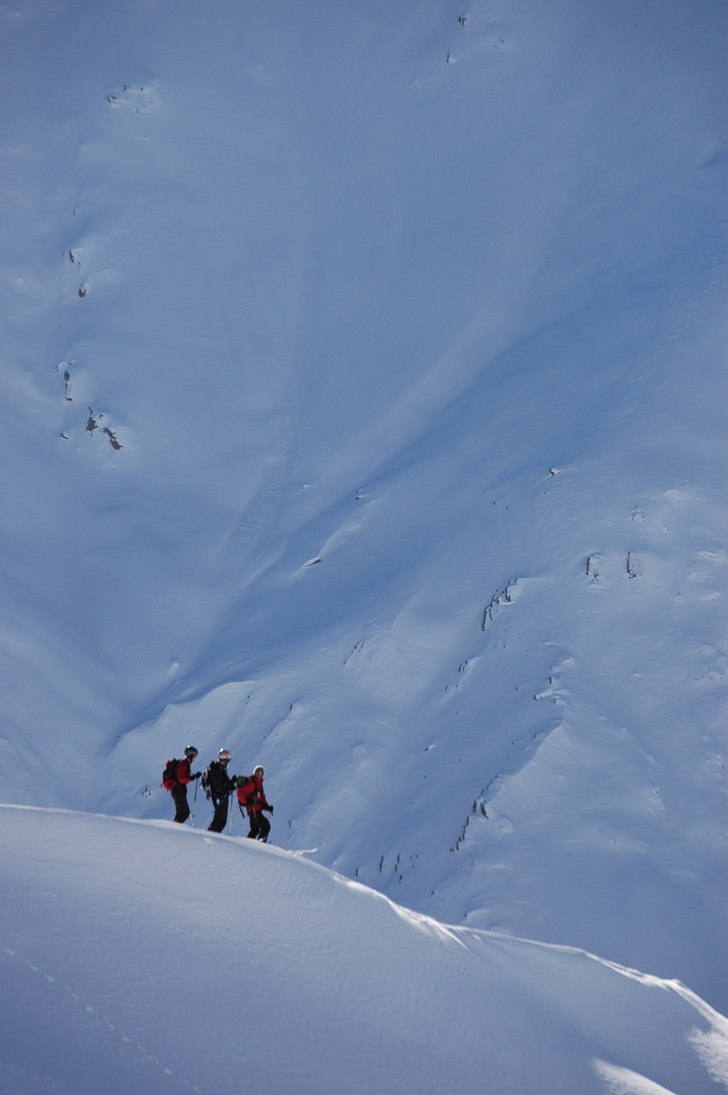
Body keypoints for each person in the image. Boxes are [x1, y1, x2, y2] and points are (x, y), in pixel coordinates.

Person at [236, 765, 273, 842]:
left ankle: (247, 845)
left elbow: (262, 798)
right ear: (255, 773)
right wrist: (247, 802)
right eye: (258, 772)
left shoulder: (259, 784)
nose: (260, 774)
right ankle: (260, 844)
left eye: (261, 773)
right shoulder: (251, 783)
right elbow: (240, 792)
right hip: (253, 810)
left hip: (255, 810)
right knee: (266, 826)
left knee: (255, 829)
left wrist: (267, 807)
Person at [205, 748, 237, 833]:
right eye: (223, 756)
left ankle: (215, 836)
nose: (225, 760)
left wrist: (232, 785)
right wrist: (231, 784)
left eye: (227, 757)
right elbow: (219, 784)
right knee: (219, 818)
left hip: (223, 796)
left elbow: (225, 784)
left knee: (223, 821)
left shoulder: (222, 770)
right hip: (218, 795)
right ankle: (209, 835)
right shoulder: (215, 768)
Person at [170, 746, 201, 824]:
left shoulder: (185, 764)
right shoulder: (182, 765)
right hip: (178, 790)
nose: (194, 759)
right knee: (185, 813)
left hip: (178, 790)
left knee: (180, 812)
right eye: (194, 757)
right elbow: (181, 779)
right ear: (190, 756)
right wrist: (192, 778)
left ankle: (173, 829)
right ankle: (174, 830)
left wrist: (192, 777)